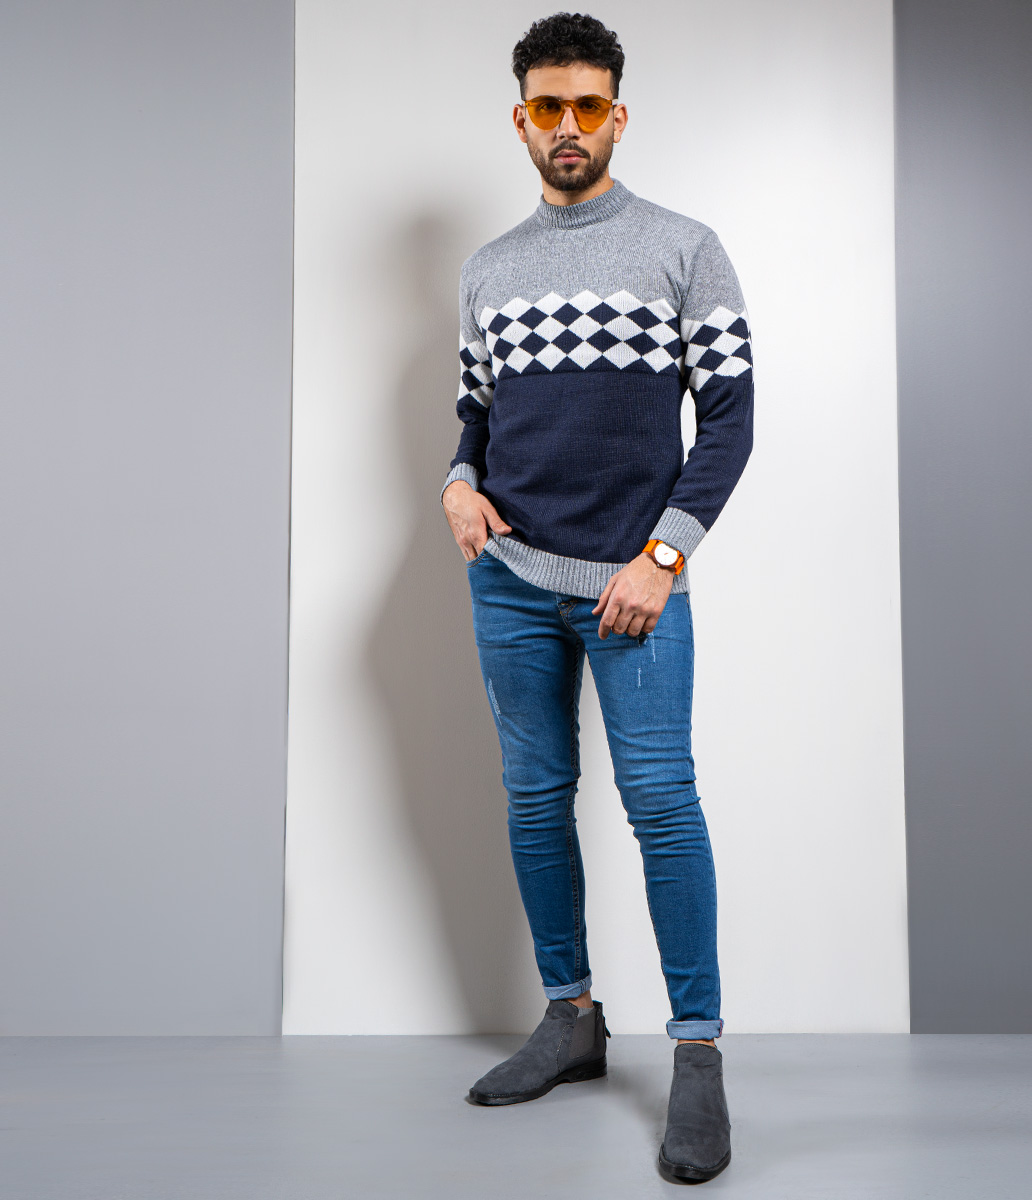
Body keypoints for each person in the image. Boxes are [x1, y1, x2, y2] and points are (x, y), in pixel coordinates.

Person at [439, 11, 753, 1184]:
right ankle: (571, 1018)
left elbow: (731, 421)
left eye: (586, 106)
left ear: (617, 116)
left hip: (633, 584)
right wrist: (456, 482)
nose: (566, 126)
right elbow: (477, 413)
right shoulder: (488, 270)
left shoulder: (684, 248)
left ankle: (698, 1053)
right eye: (546, 107)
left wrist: (662, 558)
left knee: (661, 802)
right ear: (520, 120)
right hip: (512, 579)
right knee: (535, 801)